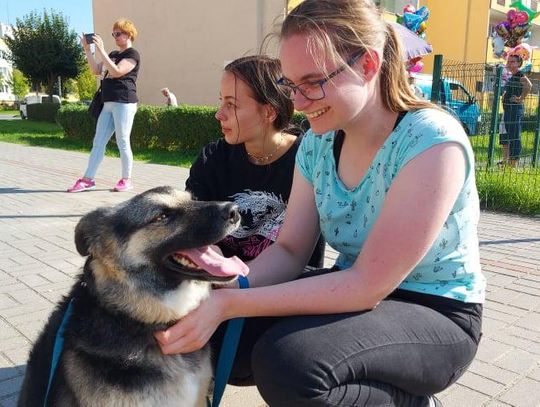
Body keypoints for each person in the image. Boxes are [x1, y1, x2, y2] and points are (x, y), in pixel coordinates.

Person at [155, 1, 485, 406]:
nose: (299, 102)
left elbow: (366, 285)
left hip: (436, 311)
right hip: (356, 291)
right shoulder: (317, 142)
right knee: (221, 338)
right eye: (291, 85)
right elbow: (292, 249)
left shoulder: (431, 143)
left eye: (312, 82)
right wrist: (229, 286)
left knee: (291, 365)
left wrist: (230, 301)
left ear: (367, 65)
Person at [185, 55, 324, 267]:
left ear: (269, 112)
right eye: (221, 100)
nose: (219, 114)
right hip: (221, 280)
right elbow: (192, 226)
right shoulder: (213, 159)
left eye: (231, 104)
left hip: (288, 287)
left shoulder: (308, 159)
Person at [68, 19, 141, 193]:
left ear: (129, 34)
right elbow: (95, 70)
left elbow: (117, 72)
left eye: (118, 33)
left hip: (124, 102)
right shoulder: (114, 53)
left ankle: (126, 179)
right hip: (107, 103)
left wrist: (101, 50)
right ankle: (88, 179)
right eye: (113, 34)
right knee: (98, 142)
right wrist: (88, 51)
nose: (115, 37)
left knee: (123, 141)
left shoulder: (133, 54)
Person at [500, 54, 531, 168]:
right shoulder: (512, 76)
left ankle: (513, 163)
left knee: (514, 136)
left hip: (514, 109)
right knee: (510, 135)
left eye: (512, 61)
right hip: (508, 109)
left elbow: (529, 85)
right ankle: (510, 162)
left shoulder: (520, 74)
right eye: (508, 61)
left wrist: (520, 98)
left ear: (519, 64)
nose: (509, 63)